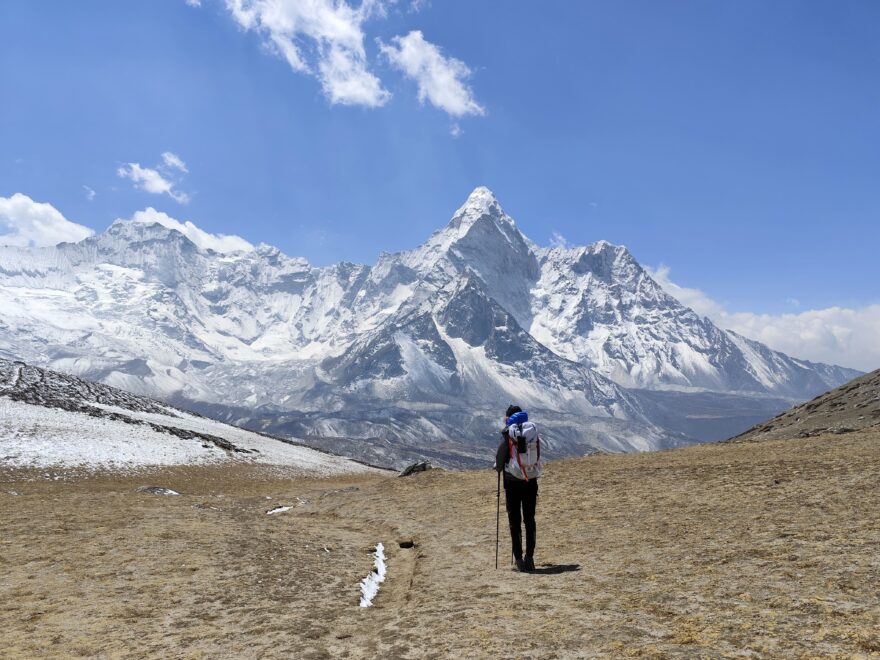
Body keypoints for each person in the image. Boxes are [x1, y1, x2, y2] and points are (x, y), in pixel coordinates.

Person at [494, 404, 541, 572]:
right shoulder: (531, 431)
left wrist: (498, 467)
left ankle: (519, 560)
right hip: (530, 480)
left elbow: (500, 455)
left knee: (514, 521)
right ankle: (530, 558)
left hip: (512, 481)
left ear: (509, 418)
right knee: (530, 519)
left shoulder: (508, 433)